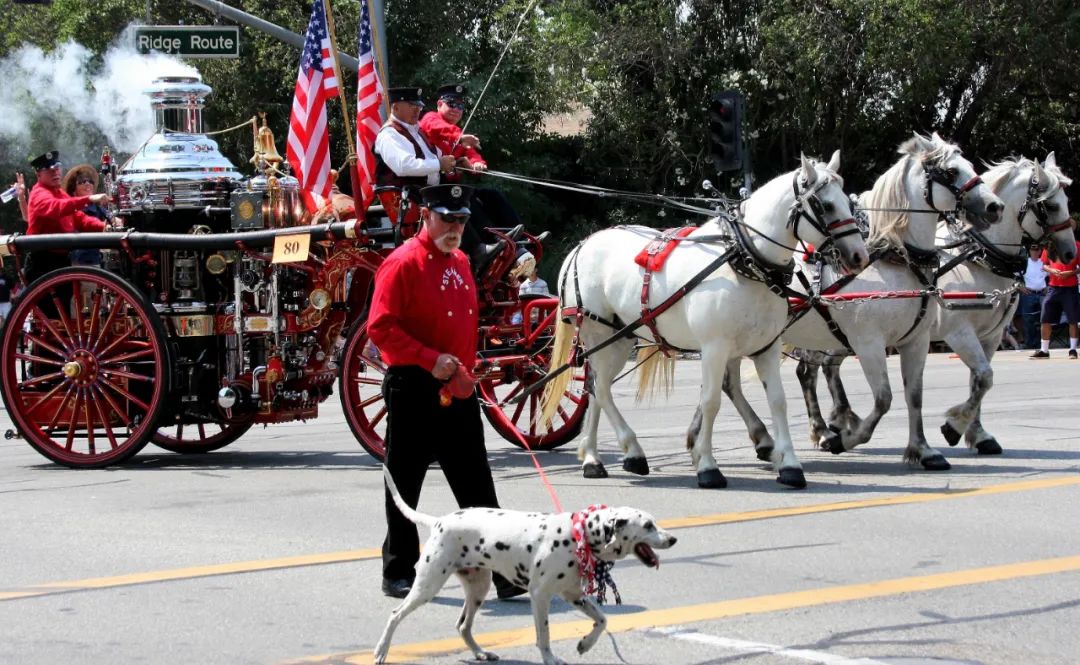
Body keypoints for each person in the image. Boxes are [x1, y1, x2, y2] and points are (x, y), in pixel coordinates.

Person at [367, 183, 525, 601]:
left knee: (477, 484)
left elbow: (464, 324)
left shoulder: (459, 260)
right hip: (414, 386)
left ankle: (505, 570)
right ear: (426, 215)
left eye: (461, 220)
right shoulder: (401, 263)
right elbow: (379, 328)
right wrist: (427, 358)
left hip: (455, 386)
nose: (455, 227)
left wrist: (467, 368)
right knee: (405, 483)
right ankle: (398, 569)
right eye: (447, 218)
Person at [373, 86, 504, 275]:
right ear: (395, 108)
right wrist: (439, 163)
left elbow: (439, 155)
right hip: (409, 198)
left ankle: (496, 242)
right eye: (411, 106)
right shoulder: (389, 134)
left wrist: (458, 161)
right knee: (455, 198)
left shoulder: (416, 132)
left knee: (471, 195)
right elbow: (404, 165)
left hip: (428, 192)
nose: (417, 110)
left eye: (418, 106)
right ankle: (478, 251)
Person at [419, 84, 532, 278]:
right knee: (468, 201)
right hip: (433, 189)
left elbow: (473, 155)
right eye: (451, 103)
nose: (456, 109)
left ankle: (520, 240)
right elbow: (436, 128)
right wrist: (460, 137)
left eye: (461, 106)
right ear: (439, 104)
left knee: (492, 195)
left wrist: (477, 164)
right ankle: (488, 244)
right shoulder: (432, 120)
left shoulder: (459, 134)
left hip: (454, 188)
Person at [24, 151, 111, 286]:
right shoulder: (39, 194)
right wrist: (88, 199)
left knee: (65, 303)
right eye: (49, 169)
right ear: (38, 174)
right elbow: (57, 207)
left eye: (57, 167)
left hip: (62, 260)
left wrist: (103, 226)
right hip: (42, 263)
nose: (55, 172)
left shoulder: (60, 193)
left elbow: (79, 218)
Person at [1031, 234, 1080, 359]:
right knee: (1045, 318)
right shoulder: (1050, 247)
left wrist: (1072, 272)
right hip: (1053, 287)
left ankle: (1073, 349)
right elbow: (1044, 264)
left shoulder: (1076, 245)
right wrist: (1052, 271)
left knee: (1072, 319)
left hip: (1070, 287)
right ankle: (1044, 350)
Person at [62, 164, 107, 269]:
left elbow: (112, 220)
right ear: (73, 190)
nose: (88, 184)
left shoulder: (98, 209)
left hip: (98, 262)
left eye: (90, 181)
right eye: (82, 181)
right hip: (80, 264)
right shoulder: (70, 210)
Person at [1018, 244, 1047, 349]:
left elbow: (1052, 275)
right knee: (1028, 319)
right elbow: (1015, 276)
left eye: (1037, 249)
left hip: (1042, 294)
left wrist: (1048, 286)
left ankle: (1042, 344)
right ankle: (1030, 344)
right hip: (1028, 293)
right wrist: (1020, 287)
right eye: (1032, 249)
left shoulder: (1043, 263)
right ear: (1029, 251)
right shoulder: (1025, 262)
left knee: (1043, 319)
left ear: (1040, 251)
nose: (1034, 251)